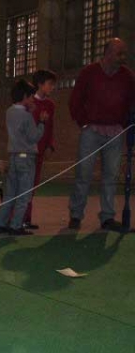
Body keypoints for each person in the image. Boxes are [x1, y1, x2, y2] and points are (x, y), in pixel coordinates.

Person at [68, 38, 135, 232]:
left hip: (115, 132)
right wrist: (83, 122)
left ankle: (107, 217)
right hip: (91, 130)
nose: (123, 57)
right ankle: (75, 215)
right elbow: (75, 100)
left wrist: (126, 124)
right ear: (107, 53)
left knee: (111, 176)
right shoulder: (89, 72)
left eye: (124, 53)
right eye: (119, 53)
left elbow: (132, 102)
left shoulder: (127, 76)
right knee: (83, 174)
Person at [0, 79, 48, 236]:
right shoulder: (27, 116)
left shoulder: (9, 112)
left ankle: (0, 223)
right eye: (31, 97)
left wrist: (30, 111)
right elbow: (33, 137)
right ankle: (16, 225)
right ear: (25, 96)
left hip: (14, 156)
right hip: (27, 157)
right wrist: (42, 123)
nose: (32, 100)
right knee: (24, 194)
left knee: (10, 194)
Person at [23, 69, 57, 230]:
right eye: (50, 84)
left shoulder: (50, 105)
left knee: (34, 183)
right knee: (25, 183)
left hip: (41, 150)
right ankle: (18, 217)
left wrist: (50, 144)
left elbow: (50, 127)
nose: (52, 87)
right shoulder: (29, 103)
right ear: (40, 84)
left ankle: (26, 218)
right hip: (29, 149)